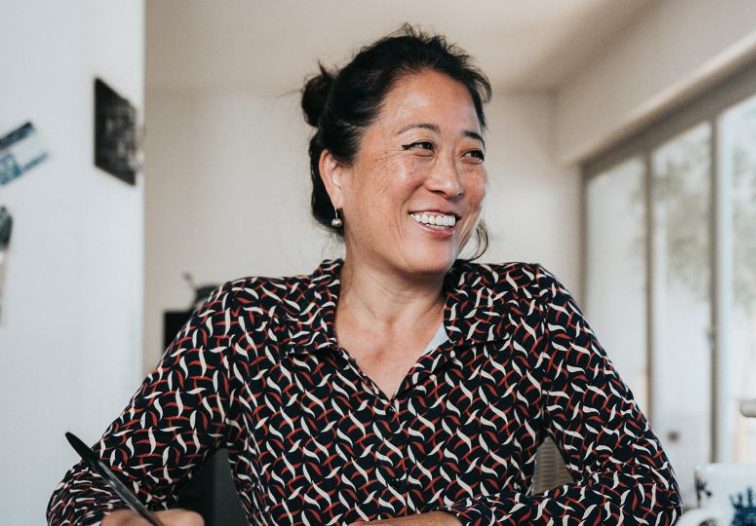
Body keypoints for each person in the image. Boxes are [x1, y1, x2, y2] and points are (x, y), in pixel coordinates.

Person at [47, 26, 681, 525]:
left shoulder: (524, 309)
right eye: (420, 145)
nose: (452, 181)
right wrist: (115, 522)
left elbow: (645, 492)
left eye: (472, 153)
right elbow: (82, 491)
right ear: (337, 174)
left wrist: (455, 524)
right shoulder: (243, 325)